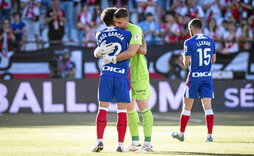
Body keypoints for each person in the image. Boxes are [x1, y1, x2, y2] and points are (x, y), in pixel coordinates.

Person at [97, 8, 154, 152]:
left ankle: (147, 144)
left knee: (144, 107)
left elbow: (137, 51)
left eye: (119, 22)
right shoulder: (120, 31)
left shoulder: (134, 29)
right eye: (115, 22)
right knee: (129, 109)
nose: (116, 25)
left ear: (126, 20)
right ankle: (135, 142)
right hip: (125, 74)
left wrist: (113, 58)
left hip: (138, 72)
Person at [92, 7, 132, 153]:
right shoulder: (127, 34)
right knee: (121, 112)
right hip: (121, 75)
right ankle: (120, 144)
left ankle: (99, 141)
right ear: (116, 19)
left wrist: (97, 52)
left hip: (106, 74)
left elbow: (97, 51)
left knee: (103, 108)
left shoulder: (99, 34)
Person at [171, 18, 216, 142]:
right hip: (207, 77)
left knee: (187, 107)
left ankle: (181, 133)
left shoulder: (189, 42)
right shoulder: (211, 41)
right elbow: (214, 60)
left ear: (191, 28)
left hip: (194, 77)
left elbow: (186, 64)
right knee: (208, 107)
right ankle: (209, 136)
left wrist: (184, 57)